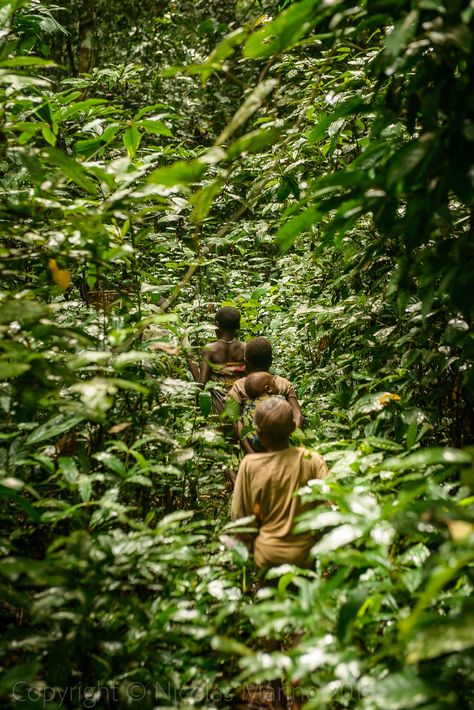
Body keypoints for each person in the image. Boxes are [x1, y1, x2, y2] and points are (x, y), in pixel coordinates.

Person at [231, 396, 328, 570]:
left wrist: (247, 554)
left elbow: (240, 517)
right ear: (292, 427)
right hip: (305, 555)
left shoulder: (250, 465)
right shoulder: (312, 459)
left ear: (258, 432)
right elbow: (328, 506)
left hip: (267, 556)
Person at [226, 337, 304, 440]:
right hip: (282, 443)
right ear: (271, 361)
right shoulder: (282, 383)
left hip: (252, 445)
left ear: (245, 361)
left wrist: (250, 451)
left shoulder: (239, 386)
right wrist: (289, 441)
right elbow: (298, 416)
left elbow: (234, 421)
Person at [185, 306, 245, 413]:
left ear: (217, 325)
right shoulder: (245, 348)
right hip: (240, 406)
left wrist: (189, 357)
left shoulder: (209, 350)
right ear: (238, 326)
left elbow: (202, 383)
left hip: (218, 408)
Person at [239, 371, 280, 453]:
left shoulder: (247, 405)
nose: (277, 385)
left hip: (252, 443)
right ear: (268, 389)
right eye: (274, 383)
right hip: (269, 441)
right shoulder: (276, 400)